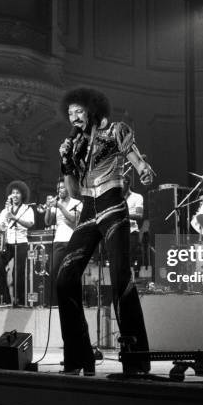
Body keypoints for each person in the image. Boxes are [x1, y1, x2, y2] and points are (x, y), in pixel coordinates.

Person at [57, 87, 155, 375]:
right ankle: (78, 358)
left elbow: (135, 159)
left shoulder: (114, 131)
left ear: (92, 109)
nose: (73, 117)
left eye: (78, 111)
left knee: (120, 278)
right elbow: (74, 193)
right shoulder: (74, 146)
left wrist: (143, 169)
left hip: (113, 205)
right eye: (70, 113)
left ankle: (135, 359)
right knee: (65, 277)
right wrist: (65, 163)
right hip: (88, 210)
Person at [0, 180, 35, 306]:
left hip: (21, 243)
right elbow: (1, 227)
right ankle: (5, 297)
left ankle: (19, 300)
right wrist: (2, 224)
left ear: (22, 195)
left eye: (18, 193)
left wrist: (15, 218)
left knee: (17, 272)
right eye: (13, 193)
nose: (15, 195)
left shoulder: (27, 209)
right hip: (8, 243)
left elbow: (30, 224)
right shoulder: (5, 210)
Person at [44, 178, 81, 306]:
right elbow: (47, 222)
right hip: (58, 240)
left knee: (70, 272)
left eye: (62, 188)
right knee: (53, 270)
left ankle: (71, 301)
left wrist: (59, 206)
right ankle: (55, 302)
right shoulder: (56, 203)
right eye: (58, 188)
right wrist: (48, 208)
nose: (59, 190)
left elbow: (73, 220)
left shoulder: (76, 203)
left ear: (68, 188)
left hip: (71, 240)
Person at [123, 174, 143, 274]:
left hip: (131, 232)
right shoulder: (116, 198)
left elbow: (139, 215)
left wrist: (124, 215)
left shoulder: (137, 197)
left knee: (129, 260)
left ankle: (131, 283)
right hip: (118, 232)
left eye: (122, 183)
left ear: (128, 184)